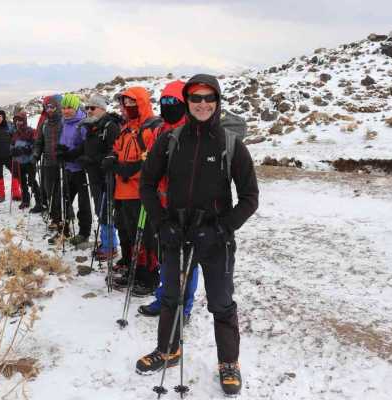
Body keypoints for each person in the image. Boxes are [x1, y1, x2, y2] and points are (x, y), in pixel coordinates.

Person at [135, 74, 259, 396]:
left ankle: (229, 363)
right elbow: (147, 185)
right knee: (172, 297)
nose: (202, 104)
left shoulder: (231, 145)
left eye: (209, 98)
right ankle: (168, 349)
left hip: (216, 239)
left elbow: (249, 198)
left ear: (217, 102)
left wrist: (221, 228)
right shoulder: (170, 140)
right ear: (187, 102)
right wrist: (162, 223)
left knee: (221, 303)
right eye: (196, 98)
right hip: (177, 233)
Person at [138, 80, 200, 322]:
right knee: (166, 257)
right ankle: (165, 298)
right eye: (163, 101)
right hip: (161, 206)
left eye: (173, 102)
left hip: (187, 208)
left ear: (184, 104)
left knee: (188, 261)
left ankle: (184, 308)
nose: (167, 106)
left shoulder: (194, 132)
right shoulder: (158, 131)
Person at [104, 86, 161, 296]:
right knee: (127, 233)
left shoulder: (150, 129)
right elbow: (118, 148)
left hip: (140, 193)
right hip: (122, 191)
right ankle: (134, 270)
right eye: (124, 103)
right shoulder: (126, 129)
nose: (126, 108)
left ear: (141, 104)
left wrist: (130, 171)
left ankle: (150, 276)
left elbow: (152, 161)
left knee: (146, 237)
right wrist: (112, 157)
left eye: (131, 103)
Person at [77, 94, 122, 261]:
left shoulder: (110, 126)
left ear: (103, 109)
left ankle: (110, 247)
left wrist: (93, 160)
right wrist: (69, 154)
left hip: (106, 177)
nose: (89, 111)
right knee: (100, 209)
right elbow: (85, 148)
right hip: (95, 175)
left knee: (105, 211)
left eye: (92, 108)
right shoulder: (93, 127)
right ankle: (106, 243)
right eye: (87, 108)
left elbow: (114, 151)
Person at [53, 93, 91, 246]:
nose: (66, 111)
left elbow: (86, 145)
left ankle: (84, 233)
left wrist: (71, 154)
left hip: (80, 170)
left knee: (83, 203)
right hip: (67, 167)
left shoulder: (82, 123)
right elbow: (65, 141)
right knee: (64, 200)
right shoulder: (64, 122)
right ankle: (64, 230)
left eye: (69, 107)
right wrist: (60, 150)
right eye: (64, 108)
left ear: (76, 107)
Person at [32, 95, 64, 229]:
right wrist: (36, 154)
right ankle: (55, 218)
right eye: (47, 107)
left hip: (62, 163)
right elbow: (39, 142)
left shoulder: (63, 122)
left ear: (57, 107)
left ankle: (63, 218)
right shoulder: (45, 124)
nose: (49, 109)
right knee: (49, 191)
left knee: (61, 193)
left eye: (52, 107)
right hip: (47, 162)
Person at [11, 110, 41, 209]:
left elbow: (35, 145)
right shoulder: (15, 133)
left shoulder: (31, 131)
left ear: (24, 120)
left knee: (32, 181)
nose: (18, 122)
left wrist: (25, 149)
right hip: (19, 161)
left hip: (29, 161)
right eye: (16, 121)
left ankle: (39, 201)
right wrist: (13, 151)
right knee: (22, 182)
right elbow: (11, 145)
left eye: (20, 120)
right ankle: (25, 200)